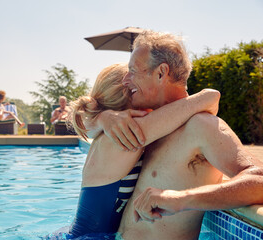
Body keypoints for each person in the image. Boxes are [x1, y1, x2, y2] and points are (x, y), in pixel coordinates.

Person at [87, 30, 263, 240]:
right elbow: (84, 117)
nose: (126, 80)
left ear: (161, 72)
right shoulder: (151, 124)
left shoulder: (201, 126)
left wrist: (181, 198)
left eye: (133, 71)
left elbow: (258, 180)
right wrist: (102, 117)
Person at [61, 63, 220, 239]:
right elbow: (209, 98)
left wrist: (101, 117)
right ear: (131, 96)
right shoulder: (124, 137)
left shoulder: (109, 134)